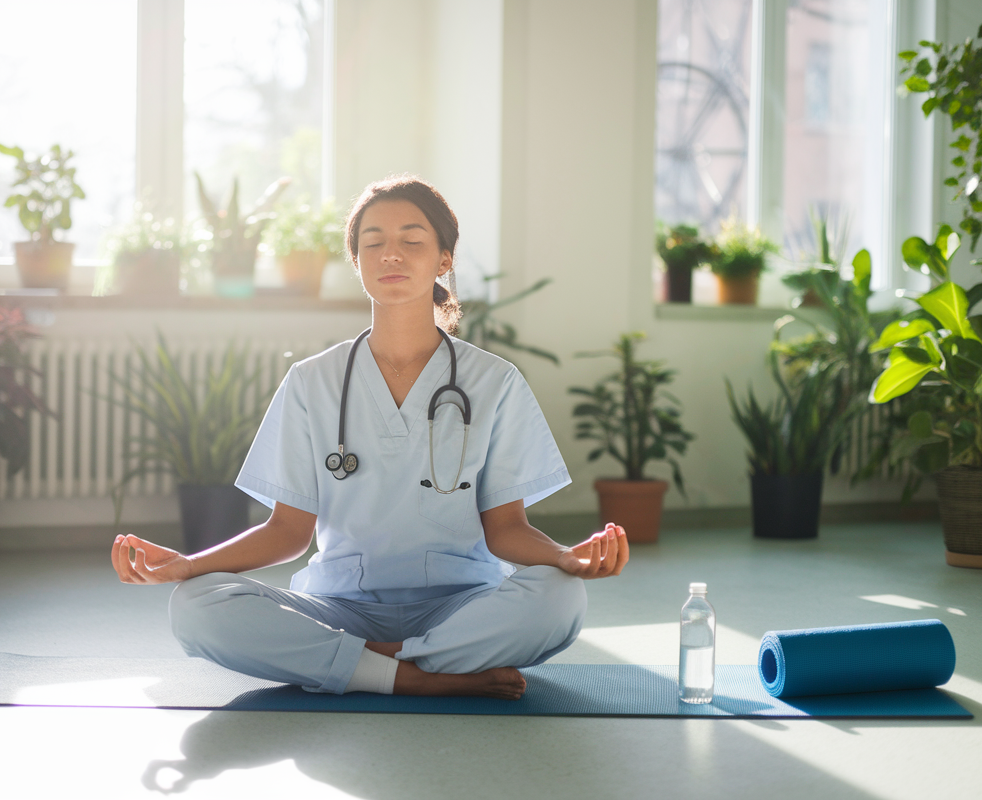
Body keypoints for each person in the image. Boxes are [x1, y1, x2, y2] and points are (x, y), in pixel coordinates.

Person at [110, 175, 628, 700]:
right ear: (356, 262)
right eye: (373, 242)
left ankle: (361, 668)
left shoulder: (494, 382)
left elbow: (507, 529)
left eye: (412, 240)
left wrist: (565, 558)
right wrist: (189, 566)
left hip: (461, 604)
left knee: (561, 599)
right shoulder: (312, 381)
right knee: (195, 606)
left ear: (443, 259)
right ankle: (422, 674)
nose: (390, 255)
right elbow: (288, 531)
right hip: (341, 606)